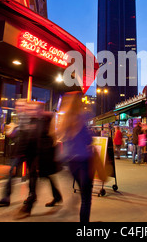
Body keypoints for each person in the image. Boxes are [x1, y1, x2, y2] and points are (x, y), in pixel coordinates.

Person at [57, 92, 94, 223]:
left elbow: (60, 137)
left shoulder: (65, 121)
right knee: (86, 198)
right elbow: (88, 140)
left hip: (72, 163)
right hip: (84, 162)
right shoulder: (81, 118)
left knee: (83, 192)